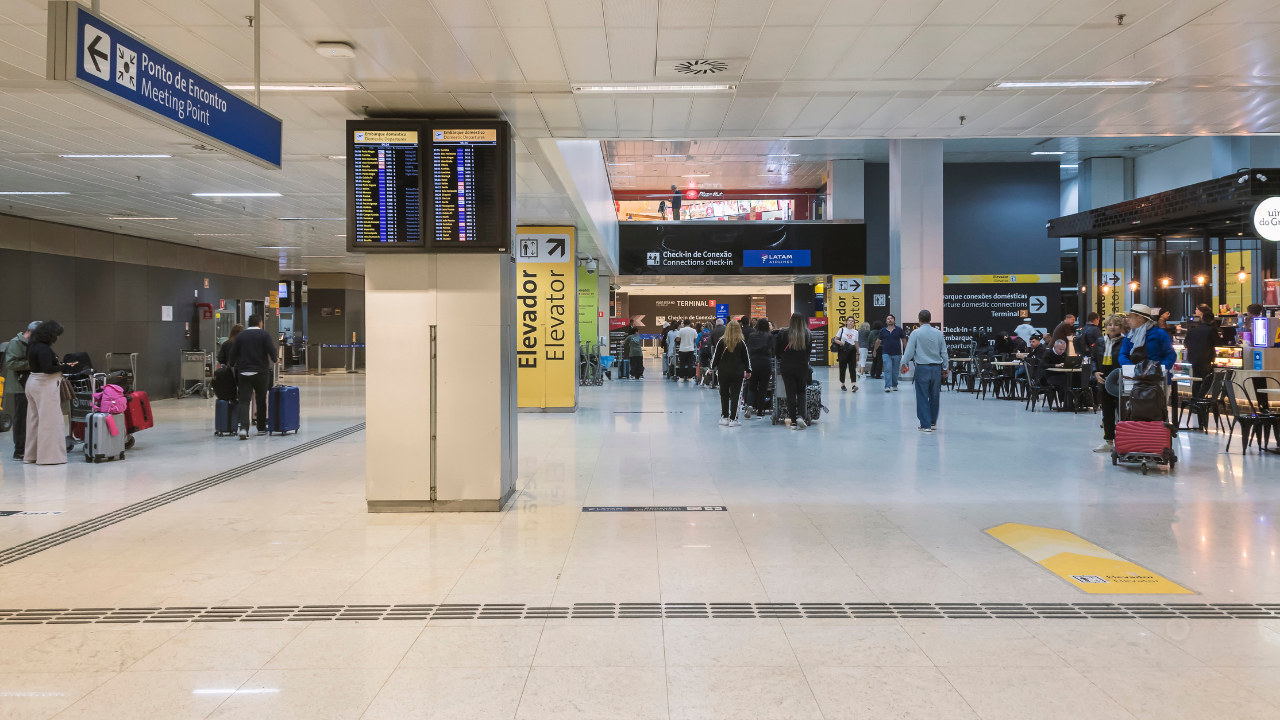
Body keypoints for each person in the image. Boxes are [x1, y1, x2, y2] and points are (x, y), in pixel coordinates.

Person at [23, 320, 80, 465]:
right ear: (50, 335)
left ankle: (32, 455)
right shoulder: (44, 348)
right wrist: (65, 366)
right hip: (44, 384)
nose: (58, 338)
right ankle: (50, 457)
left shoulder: (32, 345)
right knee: (51, 422)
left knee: (34, 420)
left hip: (33, 382)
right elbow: (48, 368)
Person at [227, 314, 277, 439]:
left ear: (249, 323)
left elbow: (233, 354)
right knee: (260, 400)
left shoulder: (240, 336)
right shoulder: (264, 335)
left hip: (244, 373)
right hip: (261, 372)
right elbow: (271, 349)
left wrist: (232, 364)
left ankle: (244, 429)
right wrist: (275, 359)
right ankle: (261, 427)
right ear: (260, 323)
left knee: (244, 401)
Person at [900, 310, 948, 432]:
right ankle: (932, 422)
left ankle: (925, 424)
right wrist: (946, 367)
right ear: (930, 319)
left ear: (919, 320)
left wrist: (904, 363)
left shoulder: (916, 333)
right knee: (935, 395)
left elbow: (909, 350)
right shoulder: (938, 333)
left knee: (922, 395)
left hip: (922, 368)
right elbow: (944, 351)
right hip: (936, 368)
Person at [3, 321, 39, 460]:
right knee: (22, 419)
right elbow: (11, 363)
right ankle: (19, 450)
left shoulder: (33, 343)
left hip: (30, 384)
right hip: (19, 386)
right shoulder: (15, 343)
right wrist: (32, 364)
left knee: (31, 418)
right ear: (30, 332)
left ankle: (29, 448)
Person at [1091, 314, 1127, 453]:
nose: (1112, 327)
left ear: (1121, 327)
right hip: (1103, 381)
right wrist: (1095, 372)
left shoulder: (1126, 341)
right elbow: (1093, 359)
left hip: (1120, 381)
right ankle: (1109, 442)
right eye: (1110, 324)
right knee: (1107, 412)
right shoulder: (1100, 341)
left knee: (1124, 413)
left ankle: (1124, 442)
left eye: (1116, 324)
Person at [711, 320, 752, 427]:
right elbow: (746, 358)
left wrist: (711, 367)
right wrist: (748, 370)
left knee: (723, 394)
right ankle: (733, 419)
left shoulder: (721, 341)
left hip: (723, 372)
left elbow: (716, 357)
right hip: (737, 372)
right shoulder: (741, 342)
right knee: (735, 395)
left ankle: (724, 417)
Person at [775, 313, 812, 429]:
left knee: (790, 393)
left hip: (787, 365)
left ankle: (793, 422)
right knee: (801, 391)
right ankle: (801, 415)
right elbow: (808, 352)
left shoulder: (783, 333)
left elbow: (777, 352)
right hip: (802, 365)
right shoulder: (807, 334)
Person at [1119, 304, 1176, 371]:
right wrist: (1133, 369)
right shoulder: (1129, 336)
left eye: (1130, 317)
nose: (1127, 320)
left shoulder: (1159, 334)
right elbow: (1122, 355)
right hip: (1134, 378)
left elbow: (1170, 355)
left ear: (1139, 317)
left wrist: (1158, 370)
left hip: (1157, 379)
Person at [1182, 304, 1220, 398]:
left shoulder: (1193, 330)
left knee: (1197, 381)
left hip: (1193, 359)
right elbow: (1218, 343)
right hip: (1206, 359)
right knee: (1207, 380)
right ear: (1211, 321)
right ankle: (1199, 399)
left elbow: (1186, 343)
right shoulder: (1211, 330)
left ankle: (1195, 402)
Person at [744, 317, 774, 419]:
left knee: (751, 386)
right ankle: (760, 412)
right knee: (763, 388)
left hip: (753, 362)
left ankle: (750, 405)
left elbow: (748, 348)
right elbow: (773, 350)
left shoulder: (752, 336)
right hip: (765, 363)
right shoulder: (770, 336)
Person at [878, 314, 905, 392]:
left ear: (894, 320)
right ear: (886, 321)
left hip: (897, 353)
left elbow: (903, 340)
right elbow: (878, 340)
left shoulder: (899, 330)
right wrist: (875, 349)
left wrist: (906, 350)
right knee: (887, 369)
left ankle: (895, 384)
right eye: (888, 319)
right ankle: (887, 386)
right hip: (886, 353)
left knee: (895, 370)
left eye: (891, 318)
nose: (890, 320)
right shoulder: (883, 330)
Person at [834, 316, 859, 392]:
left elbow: (856, 343)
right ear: (846, 322)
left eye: (852, 321)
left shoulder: (856, 332)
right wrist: (841, 343)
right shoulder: (842, 330)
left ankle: (853, 384)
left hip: (852, 350)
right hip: (843, 350)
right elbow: (836, 339)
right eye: (849, 320)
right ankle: (843, 384)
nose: (851, 322)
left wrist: (858, 353)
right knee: (842, 368)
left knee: (852, 368)